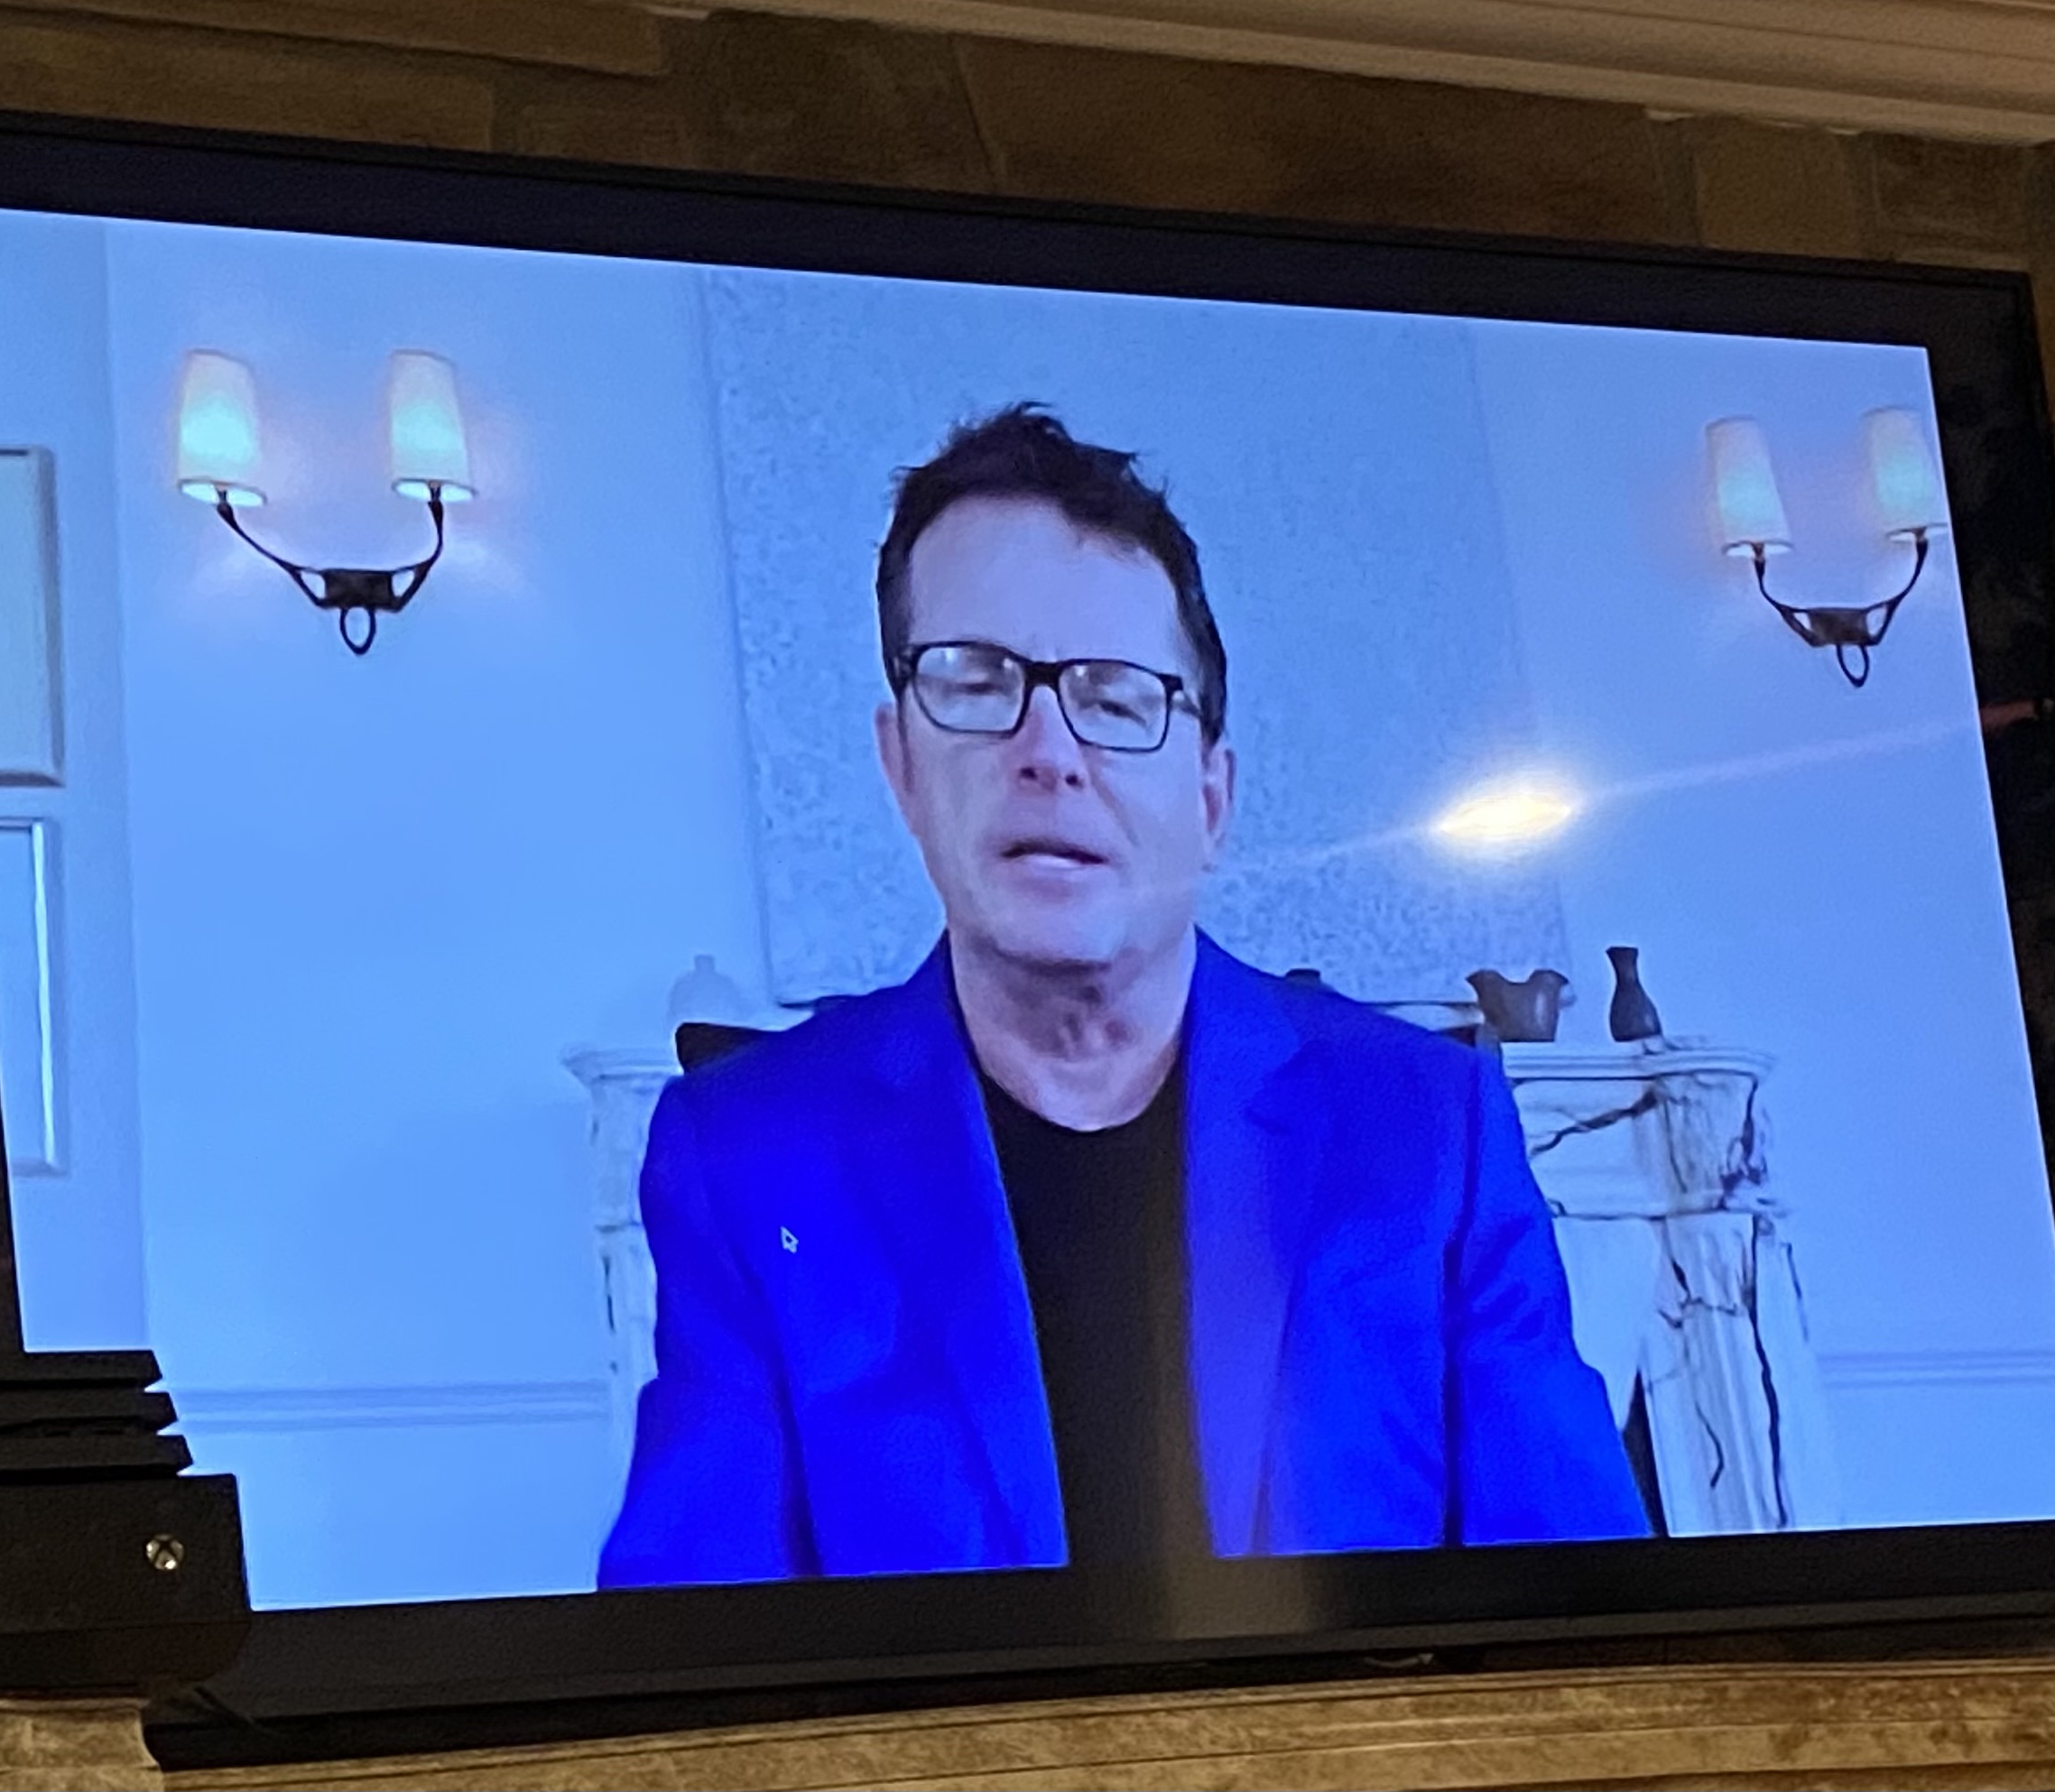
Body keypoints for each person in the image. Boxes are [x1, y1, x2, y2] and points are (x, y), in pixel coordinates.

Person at [597, 405, 1646, 1589]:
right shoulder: (744, 1153)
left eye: (1113, 696)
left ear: (1211, 796)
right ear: (901, 764)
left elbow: (1582, 1607)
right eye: (976, 680)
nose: (1047, 751)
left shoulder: (1433, 1123)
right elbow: (703, 1632)